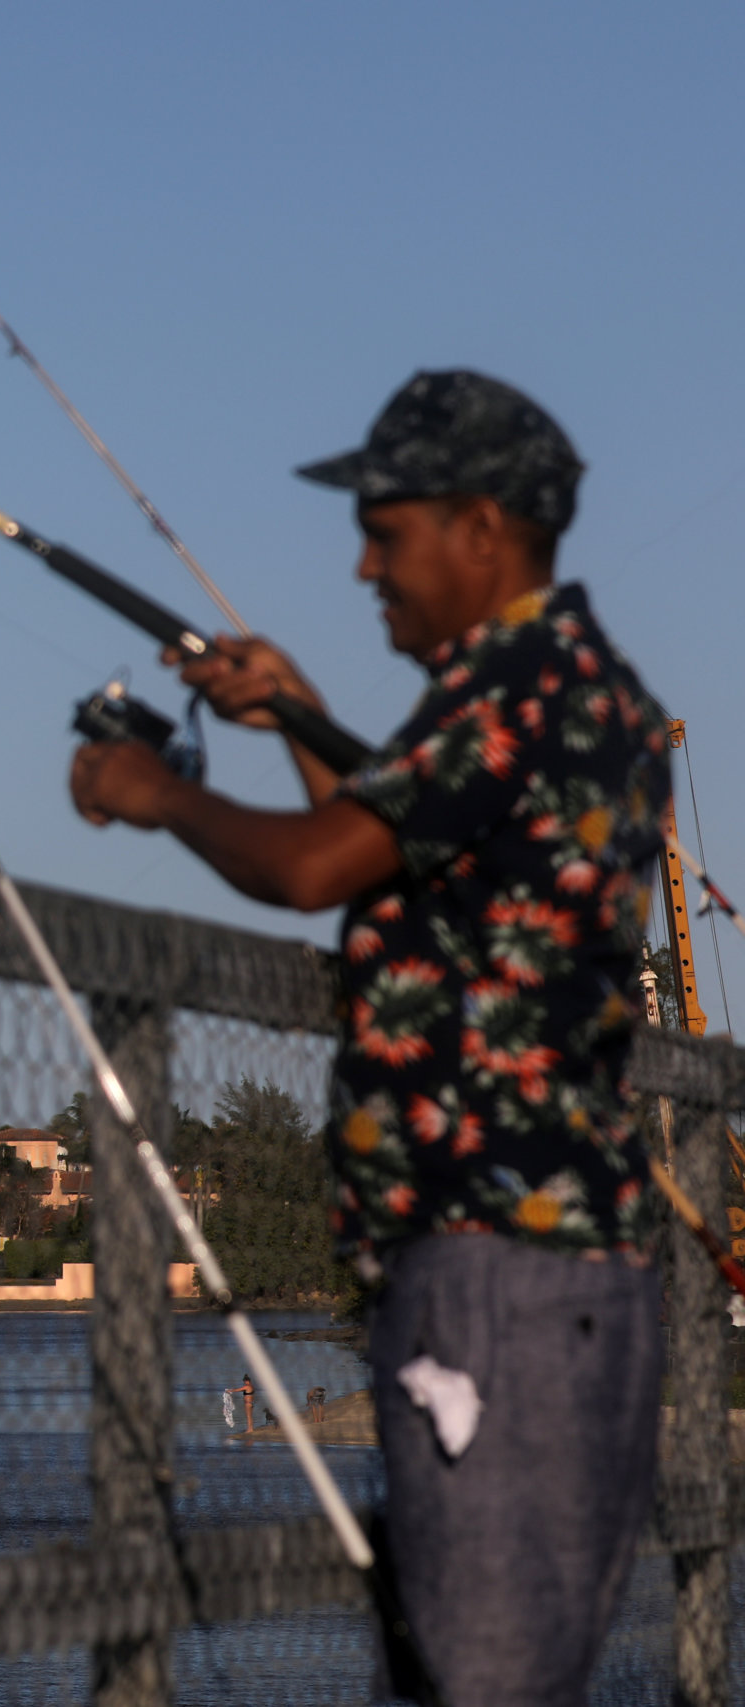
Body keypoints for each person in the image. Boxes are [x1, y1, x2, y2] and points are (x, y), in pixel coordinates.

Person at [68, 370, 672, 1707]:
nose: (362, 565)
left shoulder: (511, 684)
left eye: (385, 533)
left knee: (482, 1681)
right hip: (571, 1266)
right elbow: (418, 855)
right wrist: (291, 712)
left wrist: (156, 792)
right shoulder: (587, 690)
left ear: (479, 526)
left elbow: (316, 869)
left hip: (492, 1272)